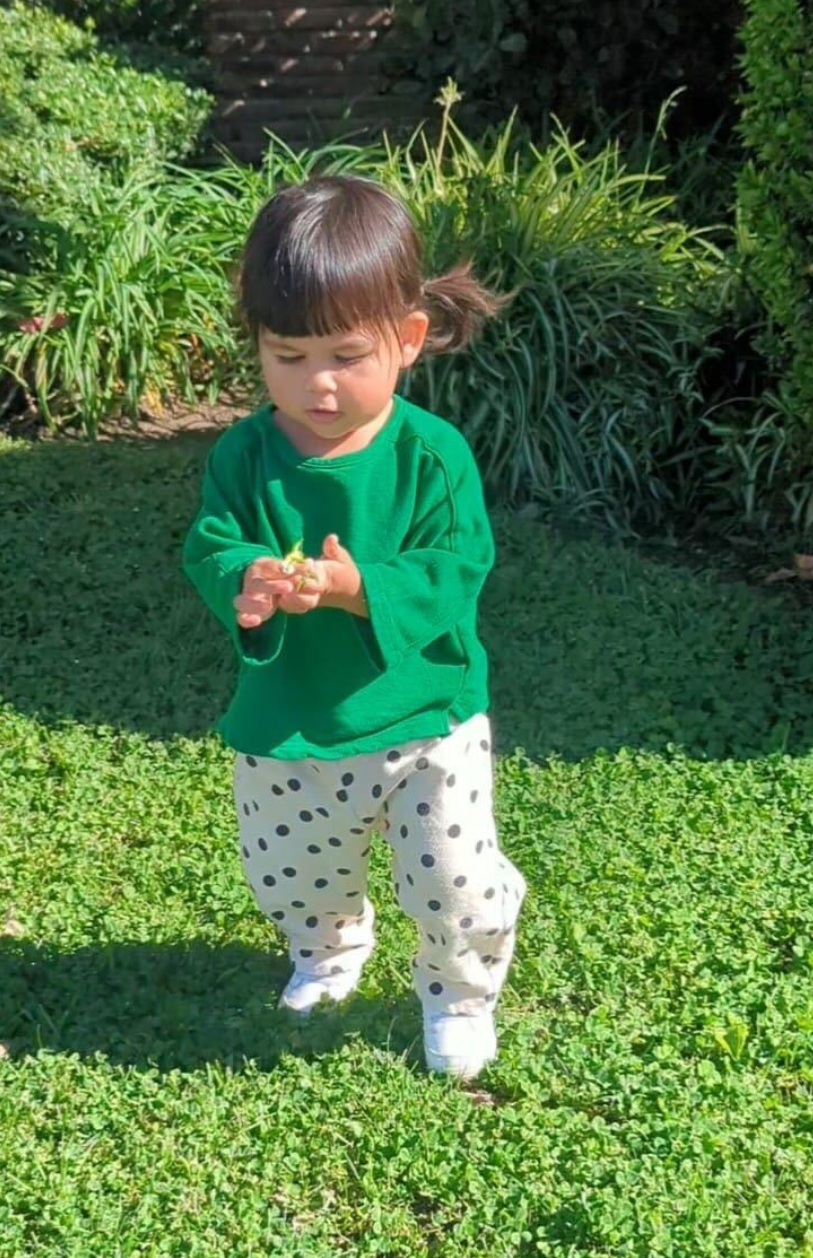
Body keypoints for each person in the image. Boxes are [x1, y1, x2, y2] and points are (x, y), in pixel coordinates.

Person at [181, 174, 526, 1079]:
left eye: (344, 354)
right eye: (288, 356)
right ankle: (328, 950)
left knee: (453, 883)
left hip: (424, 718)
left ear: (407, 340)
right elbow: (214, 542)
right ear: (256, 343)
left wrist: (355, 584)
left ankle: (458, 992)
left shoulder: (431, 457)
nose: (317, 384)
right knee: (291, 870)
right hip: (293, 720)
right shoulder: (246, 453)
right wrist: (246, 583)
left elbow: (455, 572)